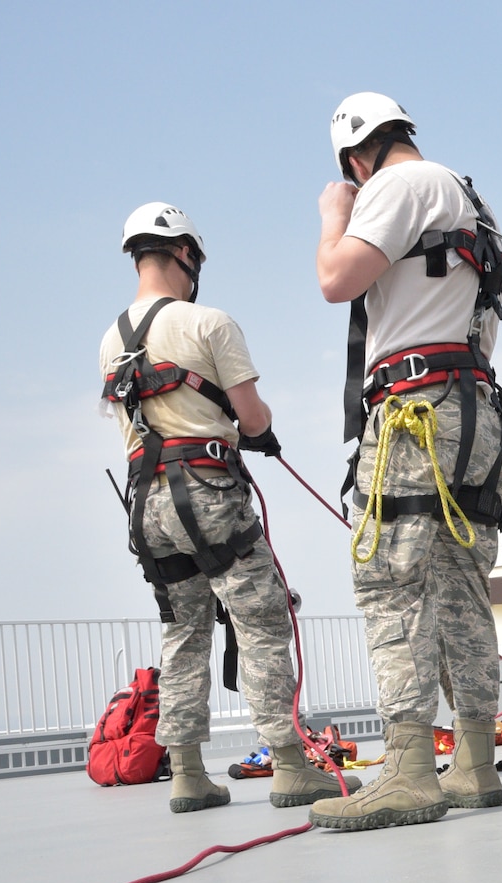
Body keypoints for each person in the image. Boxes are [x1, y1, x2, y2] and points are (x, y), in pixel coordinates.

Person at [99, 203, 352, 815]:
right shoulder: (208, 321)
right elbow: (253, 414)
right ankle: (290, 768)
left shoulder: (109, 339)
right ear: (185, 253)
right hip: (208, 491)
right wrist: (257, 433)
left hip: (147, 505)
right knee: (262, 620)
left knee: (183, 632)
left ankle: (187, 773)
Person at [308, 93, 502, 830]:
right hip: (471, 405)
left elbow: (338, 280)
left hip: (415, 408)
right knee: (460, 584)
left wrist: (337, 211)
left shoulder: (395, 185)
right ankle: (476, 759)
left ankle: (407, 768)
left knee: (391, 580)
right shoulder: (471, 202)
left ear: (358, 157)